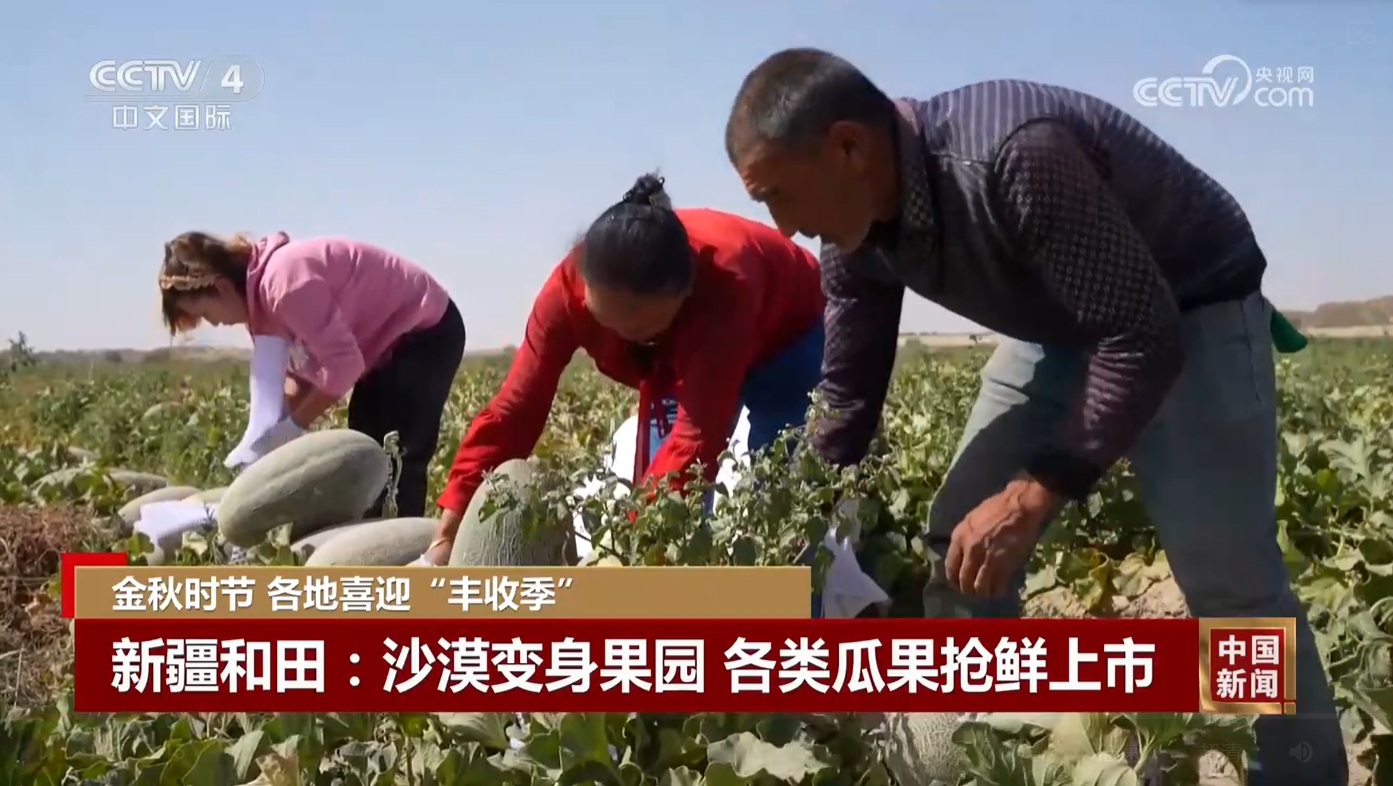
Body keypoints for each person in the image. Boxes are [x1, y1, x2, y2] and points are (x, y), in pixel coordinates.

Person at [722, 48, 1342, 785]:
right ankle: (987, 754)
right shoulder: (853, 238)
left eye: (778, 196)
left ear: (848, 148)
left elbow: (1140, 336)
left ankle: (1299, 773)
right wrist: (796, 525)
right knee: (961, 537)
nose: (784, 227)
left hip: (1186, 310)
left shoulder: (1015, 155)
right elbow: (847, 396)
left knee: (1230, 585)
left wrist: (1031, 493)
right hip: (1062, 323)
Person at [424, 174, 826, 566]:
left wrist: (628, 562)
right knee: (660, 487)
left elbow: (695, 439)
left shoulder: (726, 288)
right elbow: (514, 411)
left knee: (778, 491)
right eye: (607, 323)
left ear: (684, 296)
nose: (623, 339)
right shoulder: (565, 293)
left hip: (789, 336)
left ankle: (791, 600)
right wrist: (446, 539)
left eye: (639, 329)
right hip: (691, 346)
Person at [158, 230, 467, 518]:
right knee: (367, 446)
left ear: (222, 288)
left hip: (423, 332)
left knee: (395, 454)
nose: (214, 324)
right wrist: (267, 438)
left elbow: (344, 365)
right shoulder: (260, 311)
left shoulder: (284, 285)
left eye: (205, 314)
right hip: (383, 348)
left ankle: (400, 551)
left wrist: (293, 426)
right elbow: (303, 372)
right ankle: (374, 536)